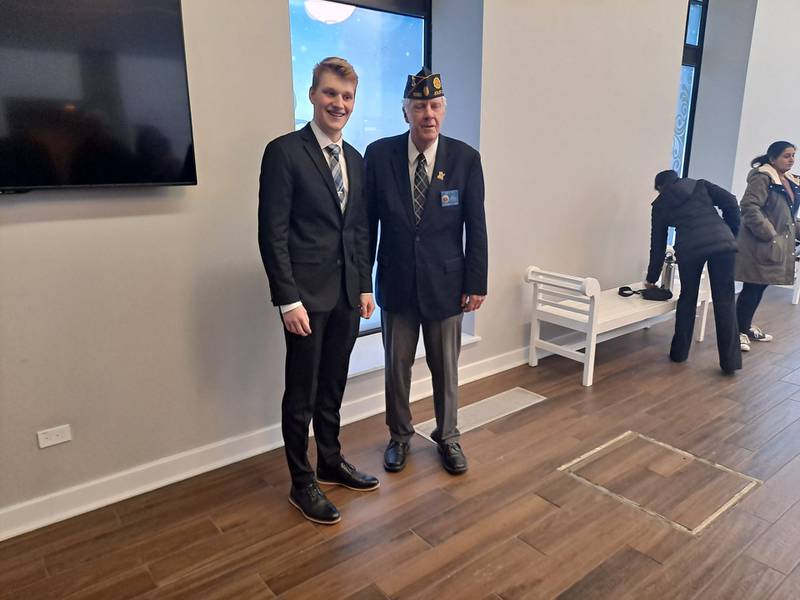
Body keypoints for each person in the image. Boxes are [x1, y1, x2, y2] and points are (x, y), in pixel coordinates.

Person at [258, 57, 378, 525]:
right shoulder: (284, 152)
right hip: (304, 300)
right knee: (302, 393)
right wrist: (287, 299)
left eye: (347, 96)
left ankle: (330, 461)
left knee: (332, 387)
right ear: (312, 95)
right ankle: (301, 481)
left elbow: (360, 229)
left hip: (348, 296)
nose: (339, 104)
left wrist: (365, 286)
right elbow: (273, 233)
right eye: (331, 93)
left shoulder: (356, 160)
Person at [365, 67, 488, 475]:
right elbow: (367, 225)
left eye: (434, 106)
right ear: (406, 113)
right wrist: (362, 282)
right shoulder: (379, 155)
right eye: (419, 107)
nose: (428, 114)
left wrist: (477, 281)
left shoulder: (466, 159)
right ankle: (399, 436)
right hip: (396, 283)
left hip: (448, 285)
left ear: (443, 111)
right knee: (396, 369)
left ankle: (448, 436)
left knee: (446, 368)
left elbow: (477, 225)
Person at [645, 170, 741, 373]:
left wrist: (652, 278)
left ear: (660, 187)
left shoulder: (660, 205)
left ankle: (679, 354)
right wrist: (730, 232)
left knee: (688, 298)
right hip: (722, 244)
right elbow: (731, 201)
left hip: (689, 249)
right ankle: (730, 362)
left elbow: (658, 245)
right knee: (725, 300)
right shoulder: (700, 184)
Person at [735, 141, 800, 350]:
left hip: (775, 245)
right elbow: (749, 206)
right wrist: (769, 234)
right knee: (752, 288)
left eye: (793, 156)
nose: (791, 160)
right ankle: (738, 331)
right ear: (772, 159)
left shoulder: (790, 181)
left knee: (759, 287)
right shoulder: (763, 178)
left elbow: (787, 214)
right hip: (760, 244)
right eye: (786, 156)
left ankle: (744, 326)